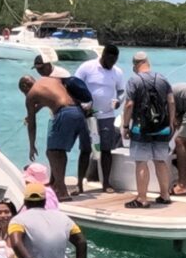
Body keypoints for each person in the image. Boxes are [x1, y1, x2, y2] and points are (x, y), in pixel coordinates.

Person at [7, 183, 89, 258]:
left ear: (25, 202)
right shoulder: (63, 218)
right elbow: (81, 242)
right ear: (44, 201)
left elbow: (16, 244)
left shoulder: (17, 220)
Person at [19, 75, 89, 202]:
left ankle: (62, 191)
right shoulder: (50, 80)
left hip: (64, 113)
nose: (26, 95)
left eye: (23, 92)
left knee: (53, 152)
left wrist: (32, 145)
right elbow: (54, 98)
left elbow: (32, 124)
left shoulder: (31, 94)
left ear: (25, 86)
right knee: (58, 151)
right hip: (79, 112)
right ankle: (57, 184)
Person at [121, 51, 176, 208]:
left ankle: (142, 198)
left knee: (141, 162)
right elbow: (171, 102)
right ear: (148, 62)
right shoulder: (162, 79)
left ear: (135, 65)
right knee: (160, 161)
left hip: (141, 129)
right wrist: (171, 122)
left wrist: (125, 126)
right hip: (162, 128)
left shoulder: (134, 81)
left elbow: (129, 104)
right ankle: (165, 195)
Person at [74, 45, 126, 192]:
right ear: (103, 56)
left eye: (115, 61)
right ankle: (79, 184)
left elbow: (121, 91)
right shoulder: (87, 67)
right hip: (88, 115)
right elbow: (73, 86)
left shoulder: (117, 72)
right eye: (110, 61)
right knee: (85, 149)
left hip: (107, 115)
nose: (112, 64)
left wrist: (119, 101)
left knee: (106, 149)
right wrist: (81, 103)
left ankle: (106, 184)